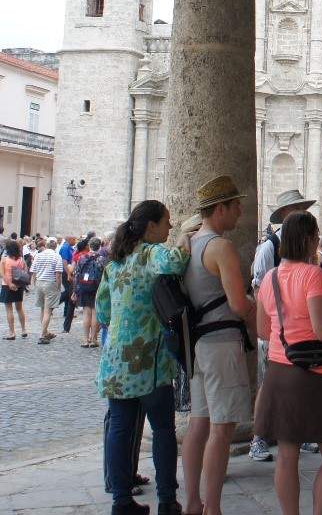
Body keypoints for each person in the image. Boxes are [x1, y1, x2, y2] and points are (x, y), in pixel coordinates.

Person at [96, 199, 188, 515]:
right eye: (167, 222)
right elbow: (176, 261)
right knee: (163, 429)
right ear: (151, 227)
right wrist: (185, 238)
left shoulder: (114, 265)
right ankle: (167, 500)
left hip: (116, 361)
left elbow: (102, 311)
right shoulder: (151, 254)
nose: (170, 227)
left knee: (120, 428)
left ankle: (121, 501)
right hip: (149, 360)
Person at [253, 211, 322, 515]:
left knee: (286, 454)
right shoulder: (312, 274)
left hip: (278, 372)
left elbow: (263, 330)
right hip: (311, 373)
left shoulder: (269, 277)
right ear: (308, 240)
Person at [180, 176, 256, 515]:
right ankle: (213, 507)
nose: (240, 210)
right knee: (222, 428)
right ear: (220, 208)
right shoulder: (221, 247)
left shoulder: (190, 245)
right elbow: (239, 305)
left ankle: (193, 502)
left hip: (197, 345)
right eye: (235, 204)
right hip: (222, 342)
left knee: (199, 423)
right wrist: (258, 305)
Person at [247, 189, 316, 463]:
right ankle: (258, 437)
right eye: (298, 209)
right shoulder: (268, 247)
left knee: (302, 384)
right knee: (269, 386)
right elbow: (258, 287)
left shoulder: (308, 253)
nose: (304, 213)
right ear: (286, 216)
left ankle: (299, 431)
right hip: (277, 331)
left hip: (302, 330)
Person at [31, 236, 65, 344]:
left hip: (39, 282)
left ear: (46, 245)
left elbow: (34, 271)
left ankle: (45, 332)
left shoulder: (38, 255)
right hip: (50, 283)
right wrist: (58, 287)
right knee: (47, 311)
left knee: (42, 309)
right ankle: (42, 335)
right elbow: (58, 273)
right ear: (55, 246)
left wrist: (34, 284)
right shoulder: (57, 256)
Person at [75, 237, 105, 347]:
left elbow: (77, 274)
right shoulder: (102, 259)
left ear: (89, 246)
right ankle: (93, 339)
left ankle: (85, 339)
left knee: (86, 313)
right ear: (100, 246)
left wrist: (75, 290)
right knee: (95, 313)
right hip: (97, 287)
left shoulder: (82, 258)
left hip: (84, 286)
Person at [0, 238, 30, 340]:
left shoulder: (4, 260)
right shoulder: (21, 259)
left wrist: (9, 283)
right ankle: (24, 330)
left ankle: (12, 332)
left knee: (9, 309)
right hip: (19, 285)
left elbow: (2, 274)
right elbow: (25, 271)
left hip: (7, 285)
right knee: (19, 308)